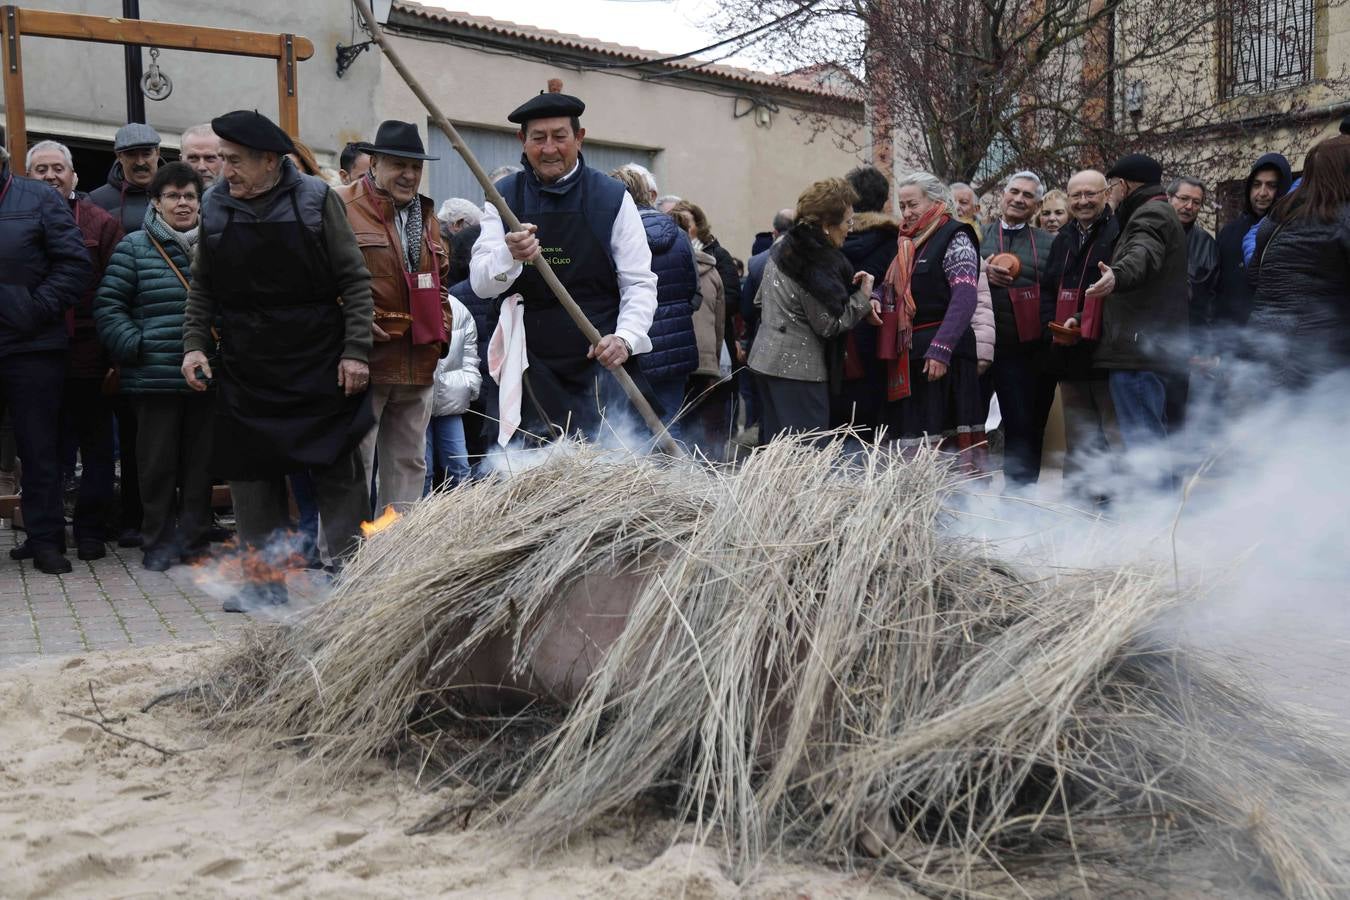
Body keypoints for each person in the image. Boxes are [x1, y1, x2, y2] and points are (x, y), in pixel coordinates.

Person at [181, 110, 375, 611]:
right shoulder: (216, 205)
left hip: (317, 355)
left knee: (337, 468)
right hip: (248, 358)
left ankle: (352, 577)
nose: (226, 171)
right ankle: (262, 581)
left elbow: (354, 280)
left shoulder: (316, 200)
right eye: (222, 160)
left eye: (236, 161)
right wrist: (194, 345)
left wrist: (355, 352)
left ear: (271, 161)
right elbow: (203, 284)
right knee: (250, 473)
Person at [469, 91, 657, 441]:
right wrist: (508, 255)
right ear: (522, 141)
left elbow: (639, 283)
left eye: (560, 136)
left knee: (611, 465)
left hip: (598, 357)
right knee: (525, 467)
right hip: (528, 363)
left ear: (579, 138)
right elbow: (481, 284)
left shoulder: (612, 198)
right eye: (538, 138)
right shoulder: (502, 197)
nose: (550, 148)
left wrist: (626, 338)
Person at [94, 162, 214, 571]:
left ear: (200, 202)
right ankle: (158, 542)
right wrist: (137, 346)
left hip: (207, 376)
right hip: (154, 376)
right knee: (156, 466)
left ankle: (196, 542)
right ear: (156, 202)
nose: (182, 203)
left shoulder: (217, 244)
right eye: (173, 196)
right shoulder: (134, 246)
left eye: (190, 196)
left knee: (200, 467)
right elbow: (109, 307)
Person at [335, 120, 451, 513]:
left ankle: (396, 560)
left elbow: (441, 286)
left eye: (416, 167)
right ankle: (343, 560)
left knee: (408, 464)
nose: (409, 175)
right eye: (400, 164)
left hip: (418, 359)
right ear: (375, 163)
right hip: (364, 360)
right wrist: (348, 324)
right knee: (353, 465)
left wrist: (441, 337)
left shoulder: (428, 215)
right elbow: (316, 279)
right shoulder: (341, 205)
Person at [25, 140, 124, 560]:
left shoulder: (101, 224)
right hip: (32, 354)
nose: (50, 176)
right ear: (28, 177)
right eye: (41, 170)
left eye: (58, 168)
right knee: (40, 449)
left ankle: (90, 531)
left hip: (88, 352)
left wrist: (111, 352)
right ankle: (41, 533)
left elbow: (117, 291)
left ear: (74, 176)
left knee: (97, 449)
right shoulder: (15, 220)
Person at [0, 132, 93, 574]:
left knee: (40, 450)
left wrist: (32, 309)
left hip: (32, 346)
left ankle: (46, 541)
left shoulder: (38, 199)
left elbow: (75, 265)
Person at [747, 178, 880, 439]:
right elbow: (830, 323)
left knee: (778, 454)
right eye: (847, 222)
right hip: (799, 372)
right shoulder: (813, 260)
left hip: (766, 361)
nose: (849, 229)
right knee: (806, 456)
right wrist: (862, 298)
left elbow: (759, 301)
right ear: (826, 225)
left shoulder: (784, 247)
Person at [1084, 154, 1190, 476]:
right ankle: (1160, 518)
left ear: (1125, 184)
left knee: (1145, 445)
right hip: (1144, 348)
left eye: (1111, 186)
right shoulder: (1151, 211)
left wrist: (1117, 274)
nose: (1109, 195)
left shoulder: (1151, 214)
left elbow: (1143, 252)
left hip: (1138, 354)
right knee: (1151, 442)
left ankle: (1154, 522)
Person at [873, 172, 985, 465]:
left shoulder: (955, 235)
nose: (907, 213)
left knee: (945, 445)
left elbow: (964, 297)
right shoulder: (907, 244)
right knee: (914, 440)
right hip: (910, 357)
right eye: (902, 206)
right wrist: (874, 297)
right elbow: (891, 290)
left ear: (936, 201)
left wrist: (942, 347)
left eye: (913, 205)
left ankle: (959, 506)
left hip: (944, 358)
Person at [1039, 169, 1120, 499]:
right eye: (1077, 195)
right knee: (1079, 435)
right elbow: (1047, 289)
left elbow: (1118, 292)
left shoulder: (1117, 233)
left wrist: (1081, 319)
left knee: (1113, 435)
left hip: (1105, 352)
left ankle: (1117, 507)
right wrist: (1052, 327)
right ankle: (1078, 510)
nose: (1083, 201)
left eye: (1091, 194)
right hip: (1068, 353)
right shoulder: (1063, 239)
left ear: (1105, 194)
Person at [1248, 135, 1350, 390]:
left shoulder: (1277, 217)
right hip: (1320, 360)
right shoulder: (1343, 218)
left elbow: (1254, 277)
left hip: (1262, 350)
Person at [610, 166, 699, 434]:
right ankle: (674, 476)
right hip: (675, 343)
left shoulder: (612, 232)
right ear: (648, 195)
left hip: (629, 346)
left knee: (628, 431)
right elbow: (693, 290)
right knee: (670, 426)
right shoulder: (681, 236)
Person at [982, 171, 1054, 486]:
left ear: (1037, 205)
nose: (1019, 199)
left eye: (1028, 195)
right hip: (979, 348)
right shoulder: (976, 235)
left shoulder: (1049, 243)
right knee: (968, 425)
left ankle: (1019, 504)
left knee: (1022, 428)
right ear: (1003, 194)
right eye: (1014, 191)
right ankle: (966, 497)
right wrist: (981, 269)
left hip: (1025, 351)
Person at [838, 165, 898, 436]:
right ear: (885, 201)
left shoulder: (832, 238)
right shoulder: (896, 241)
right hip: (881, 337)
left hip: (836, 333)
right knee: (875, 423)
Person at [672, 207, 729, 455]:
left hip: (670, 356)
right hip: (703, 357)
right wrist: (714, 361)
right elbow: (720, 322)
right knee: (700, 422)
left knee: (673, 419)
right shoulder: (712, 270)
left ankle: (676, 472)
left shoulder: (656, 261)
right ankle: (701, 470)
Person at [1166, 175, 1220, 430]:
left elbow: (1208, 303)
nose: (1189, 206)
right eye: (1184, 199)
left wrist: (1205, 348)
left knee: (1179, 418)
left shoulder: (1207, 245)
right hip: (1146, 344)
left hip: (1187, 347)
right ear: (1169, 198)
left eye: (1196, 202)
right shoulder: (1149, 233)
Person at [1215, 153, 1291, 329]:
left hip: (1272, 339)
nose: (1262, 193)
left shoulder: (1293, 231)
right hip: (1228, 338)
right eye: (1257, 185)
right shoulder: (1229, 232)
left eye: (1271, 186)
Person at [425, 293, 481, 491]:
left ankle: (465, 518)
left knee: (459, 468)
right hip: (416, 402)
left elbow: (470, 355)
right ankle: (417, 521)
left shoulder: (458, 309)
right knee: (423, 471)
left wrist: (470, 385)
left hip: (451, 400)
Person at [90, 122, 161, 234]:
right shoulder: (96, 201)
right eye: (131, 155)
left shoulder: (178, 194)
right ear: (119, 156)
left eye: (146, 154)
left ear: (157, 153)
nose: (140, 162)